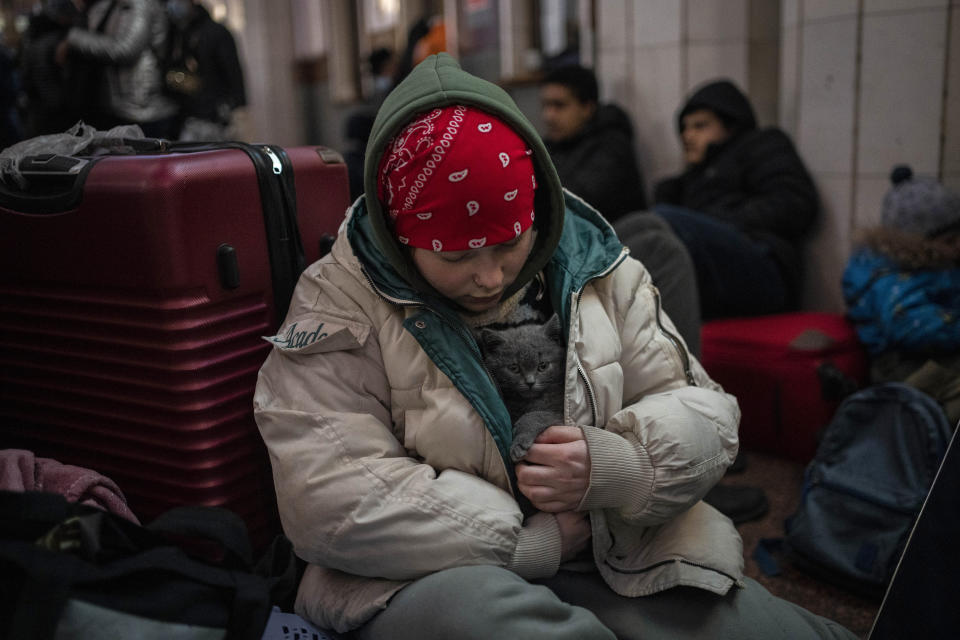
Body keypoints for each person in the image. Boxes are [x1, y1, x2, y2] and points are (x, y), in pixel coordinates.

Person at [253, 53, 857, 640]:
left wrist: (617, 466)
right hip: (430, 575)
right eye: (457, 256)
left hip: (607, 544)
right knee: (488, 620)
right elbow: (327, 496)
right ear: (400, 238)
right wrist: (527, 542)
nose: (490, 277)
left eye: (509, 243)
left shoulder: (596, 265)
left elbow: (702, 410)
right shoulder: (339, 299)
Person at [653, 78, 818, 320]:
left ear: (729, 125)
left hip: (763, 265)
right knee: (642, 229)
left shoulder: (761, 145)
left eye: (700, 126)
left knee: (664, 222)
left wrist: (714, 222)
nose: (688, 136)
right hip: (716, 266)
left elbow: (795, 202)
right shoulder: (692, 177)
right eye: (685, 128)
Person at [843, 165, 960, 424]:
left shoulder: (936, 265)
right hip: (905, 367)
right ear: (918, 243)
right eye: (950, 241)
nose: (957, 246)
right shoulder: (891, 277)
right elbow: (910, 325)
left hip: (937, 356)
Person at [540, 64, 647, 223]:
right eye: (545, 105)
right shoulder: (551, 146)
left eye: (559, 106)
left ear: (587, 108)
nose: (549, 116)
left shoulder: (612, 146)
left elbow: (576, 200)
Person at [56, 0, 178, 138]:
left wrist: (74, 38)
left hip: (140, 107)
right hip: (120, 105)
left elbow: (125, 49)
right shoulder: (112, 4)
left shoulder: (140, 4)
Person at [163, 0, 247, 141]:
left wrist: (232, 111)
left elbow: (234, 78)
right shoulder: (175, 34)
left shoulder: (216, 33)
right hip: (184, 119)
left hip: (214, 120)